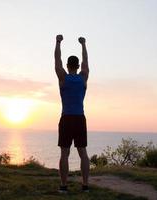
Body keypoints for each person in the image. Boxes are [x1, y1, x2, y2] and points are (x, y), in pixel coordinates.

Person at [54, 34, 90, 193]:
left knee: (64, 153)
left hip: (67, 118)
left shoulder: (63, 77)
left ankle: (63, 186)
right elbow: (86, 62)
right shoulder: (83, 78)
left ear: (68, 65)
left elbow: (57, 60)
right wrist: (83, 45)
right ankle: (85, 186)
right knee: (83, 152)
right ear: (78, 66)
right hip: (80, 118)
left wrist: (58, 42)